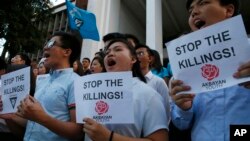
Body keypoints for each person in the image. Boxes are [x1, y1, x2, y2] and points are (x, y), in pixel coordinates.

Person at [170, 0, 250, 141]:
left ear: (229, 10)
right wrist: (183, 108)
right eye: (190, 11)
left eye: (203, 3)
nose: (194, 12)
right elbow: (181, 124)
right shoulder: (183, 66)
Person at [0, 31, 83, 140]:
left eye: (50, 44)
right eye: (45, 44)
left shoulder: (76, 82)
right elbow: (33, 123)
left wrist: (42, 118)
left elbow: (77, 132)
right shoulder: (42, 81)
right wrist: (9, 116)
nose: (44, 48)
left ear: (66, 52)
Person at [83, 39, 169, 141]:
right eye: (107, 52)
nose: (110, 54)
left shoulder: (149, 95)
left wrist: (109, 137)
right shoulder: (92, 91)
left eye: (118, 49)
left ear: (133, 59)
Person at [135, 44, 170, 116]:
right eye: (134, 55)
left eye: (140, 53)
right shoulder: (129, 82)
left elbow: (167, 108)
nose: (137, 56)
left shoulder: (159, 82)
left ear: (150, 58)